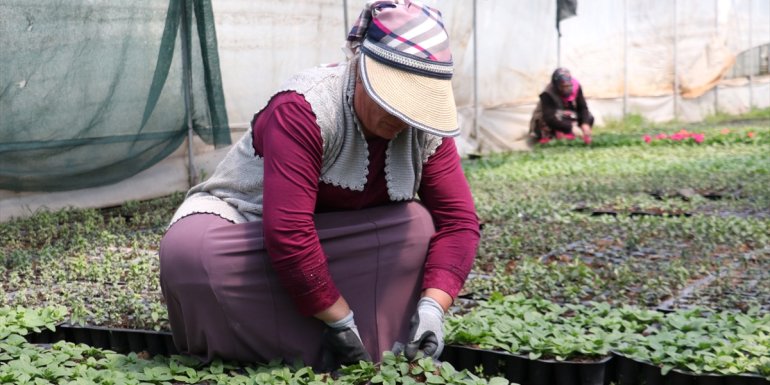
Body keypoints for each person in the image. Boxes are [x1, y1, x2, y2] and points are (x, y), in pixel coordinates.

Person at [158, 0, 479, 372]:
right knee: (188, 255)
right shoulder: (304, 108)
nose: (402, 118)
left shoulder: (422, 130)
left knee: (418, 227)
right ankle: (330, 335)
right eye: (394, 99)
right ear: (361, 69)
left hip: (332, 240)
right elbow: (288, 231)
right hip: (249, 226)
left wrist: (432, 309)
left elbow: (459, 222)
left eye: (415, 106)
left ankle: (377, 340)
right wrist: (338, 318)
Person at [529, 67, 594, 144]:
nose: (566, 89)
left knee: (588, 117)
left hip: (565, 116)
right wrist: (570, 127)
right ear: (556, 85)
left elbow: (583, 107)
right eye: (563, 87)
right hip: (552, 119)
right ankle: (559, 135)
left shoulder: (576, 87)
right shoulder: (547, 93)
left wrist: (585, 124)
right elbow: (549, 118)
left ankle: (574, 134)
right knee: (545, 124)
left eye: (569, 86)